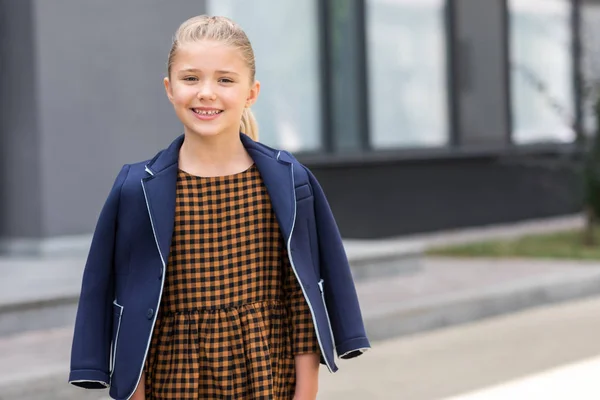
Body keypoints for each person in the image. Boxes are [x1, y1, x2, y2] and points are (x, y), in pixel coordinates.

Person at [68, 15, 370, 400]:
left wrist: (305, 393)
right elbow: (119, 294)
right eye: (191, 78)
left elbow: (301, 298)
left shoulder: (288, 181)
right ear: (169, 88)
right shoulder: (136, 188)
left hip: (266, 379)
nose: (206, 92)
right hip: (172, 382)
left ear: (251, 92)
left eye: (225, 80)